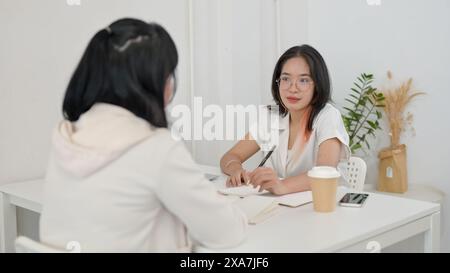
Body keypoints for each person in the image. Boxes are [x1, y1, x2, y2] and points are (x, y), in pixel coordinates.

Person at [39, 18, 247, 252]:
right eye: (169, 75)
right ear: (152, 81)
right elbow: (227, 232)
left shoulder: (67, 135)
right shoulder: (156, 148)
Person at [220, 45, 350, 195]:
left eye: (303, 80)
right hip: (282, 207)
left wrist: (282, 186)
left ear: (318, 85)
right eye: (286, 78)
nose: (293, 88)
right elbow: (230, 157)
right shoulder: (272, 116)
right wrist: (237, 170)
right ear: (278, 82)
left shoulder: (328, 116)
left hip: (326, 205)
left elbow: (325, 171)